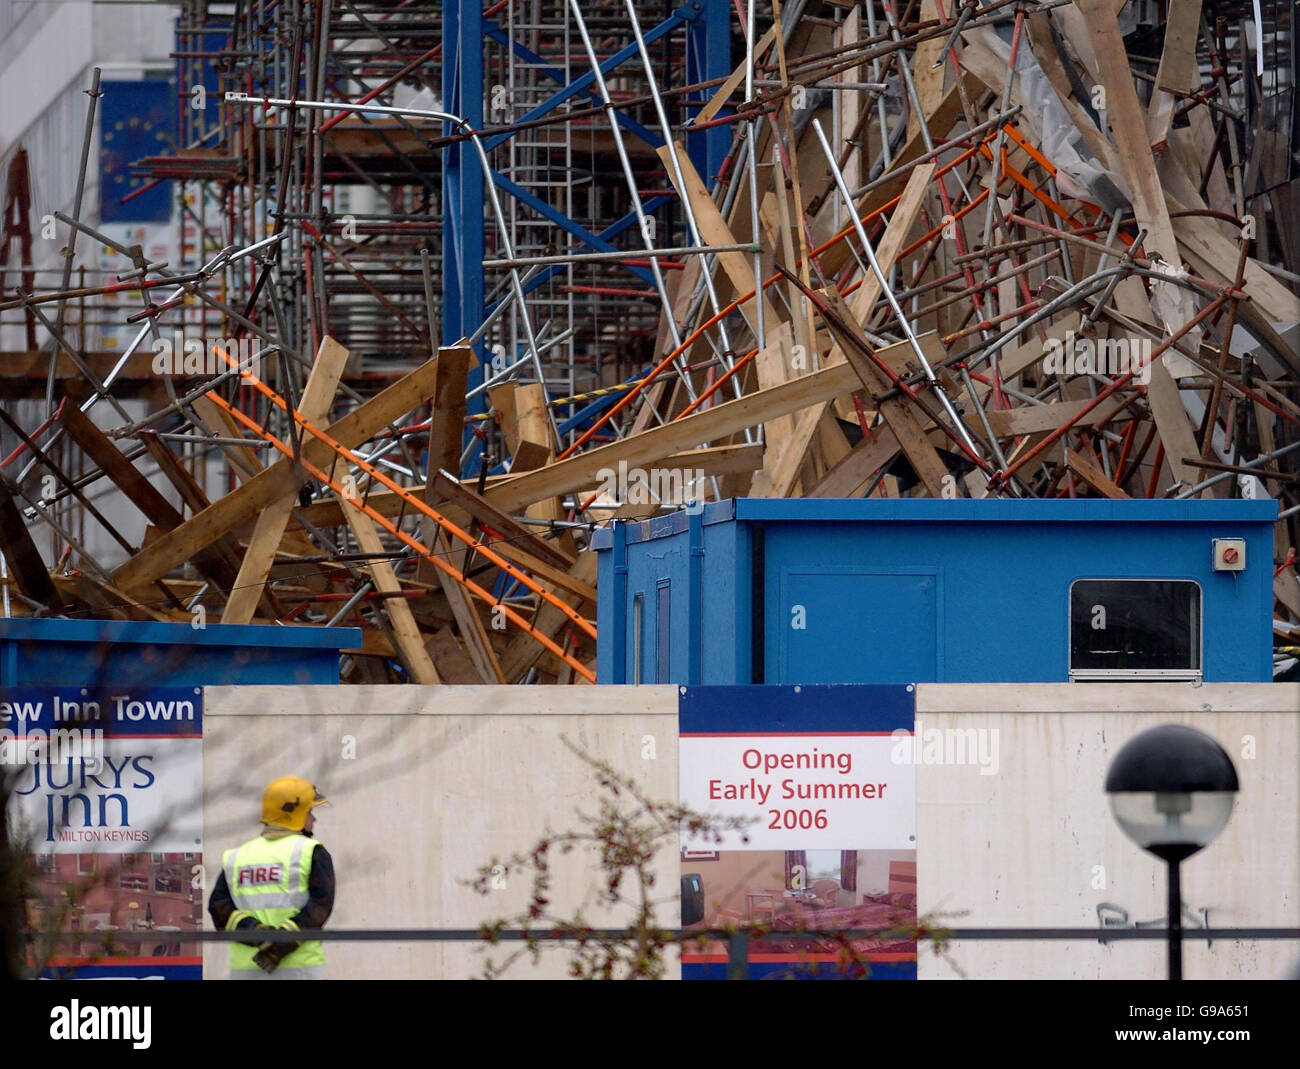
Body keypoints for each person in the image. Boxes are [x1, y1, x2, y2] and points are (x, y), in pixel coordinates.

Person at [208, 776, 335, 979]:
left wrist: (257, 934)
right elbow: (320, 907)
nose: (314, 819)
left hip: (246, 971)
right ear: (294, 813)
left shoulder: (236, 857)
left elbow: (219, 909)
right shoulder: (310, 852)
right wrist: (280, 943)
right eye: (309, 811)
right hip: (301, 970)